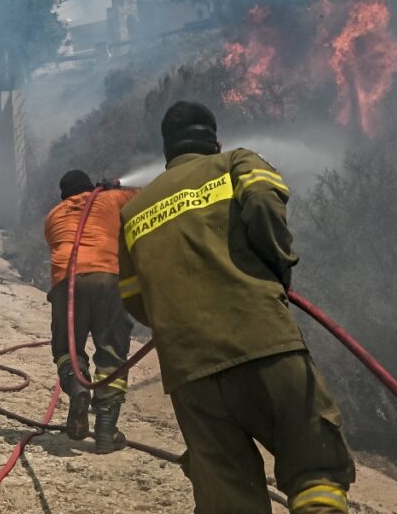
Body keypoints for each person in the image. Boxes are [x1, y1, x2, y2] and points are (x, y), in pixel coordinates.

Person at [117, 101, 355, 513]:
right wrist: (277, 265)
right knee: (315, 470)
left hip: (189, 373)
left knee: (228, 500)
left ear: (166, 150)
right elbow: (263, 201)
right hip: (264, 345)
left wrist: (177, 319)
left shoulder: (132, 211)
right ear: (214, 140)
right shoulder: (235, 162)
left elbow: (133, 297)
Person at [44, 169, 137, 452]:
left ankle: (77, 389)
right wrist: (116, 187)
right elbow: (144, 197)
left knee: (66, 349)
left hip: (66, 282)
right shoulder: (111, 199)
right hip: (106, 278)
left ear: (63, 195)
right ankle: (106, 431)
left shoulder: (53, 216)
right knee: (112, 349)